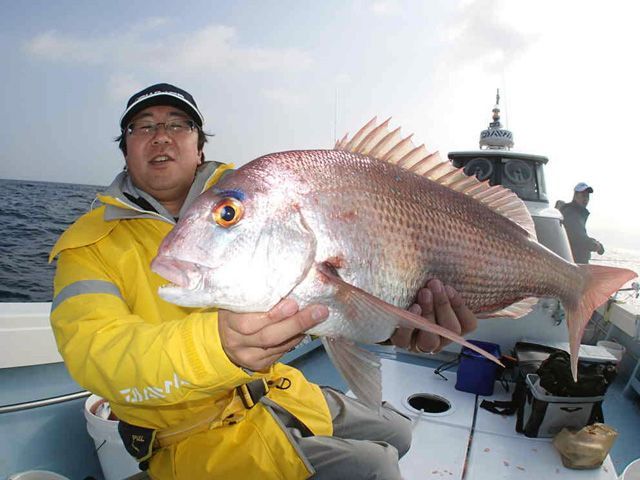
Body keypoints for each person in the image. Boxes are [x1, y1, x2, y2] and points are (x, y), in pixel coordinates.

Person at [49, 83, 478, 479]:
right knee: (378, 465)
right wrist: (218, 346)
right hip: (198, 436)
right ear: (125, 150)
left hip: (280, 391)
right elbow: (96, 356)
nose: (161, 136)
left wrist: (392, 329)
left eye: (178, 125)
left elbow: (341, 291)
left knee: (400, 432)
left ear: (199, 148)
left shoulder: (262, 195)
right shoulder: (87, 246)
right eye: (143, 127)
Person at [559, 182, 605, 264]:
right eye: (583, 195)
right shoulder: (571, 213)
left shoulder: (577, 213)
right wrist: (596, 246)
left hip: (573, 262)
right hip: (572, 262)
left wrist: (595, 243)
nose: (586, 199)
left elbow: (580, 235)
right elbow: (578, 237)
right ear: (575, 196)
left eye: (587, 196)